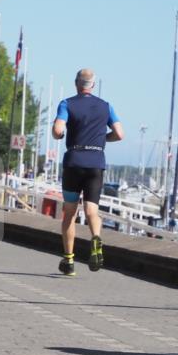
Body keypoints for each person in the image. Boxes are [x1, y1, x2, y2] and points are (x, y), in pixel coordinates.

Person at [52, 69, 124, 276]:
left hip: (74, 162)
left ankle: (69, 261)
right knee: (92, 210)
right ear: (92, 85)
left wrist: (60, 135)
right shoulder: (106, 106)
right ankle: (96, 237)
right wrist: (103, 139)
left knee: (69, 213)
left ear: (77, 83)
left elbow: (58, 130)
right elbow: (120, 134)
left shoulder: (67, 104)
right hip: (96, 163)